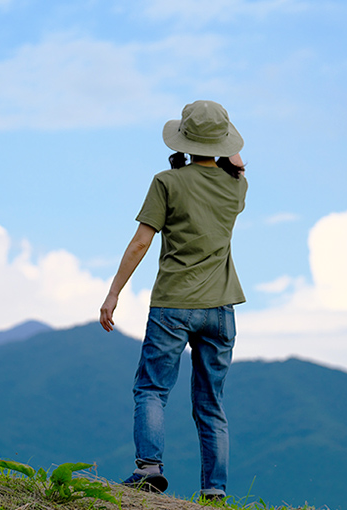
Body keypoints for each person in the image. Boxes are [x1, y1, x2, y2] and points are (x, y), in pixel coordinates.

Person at [99, 100, 247, 501]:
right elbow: (237, 161)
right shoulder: (237, 186)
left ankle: (149, 469)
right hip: (221, 309)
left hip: (174, 305)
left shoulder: (167, 182)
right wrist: (229, 147)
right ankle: (214, 491)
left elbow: (141, 242)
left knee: (151, 389)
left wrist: (114, 292)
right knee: (211, 404)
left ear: (183, 137)